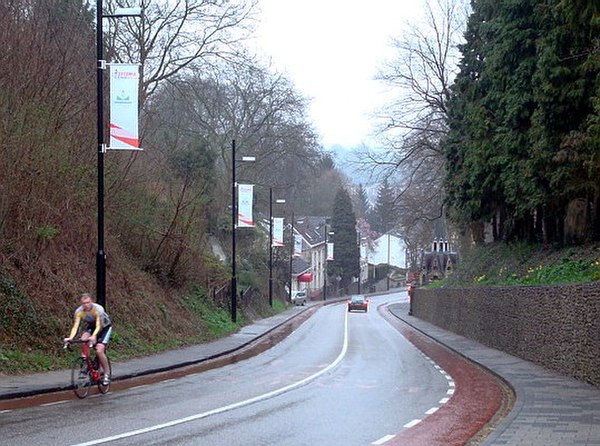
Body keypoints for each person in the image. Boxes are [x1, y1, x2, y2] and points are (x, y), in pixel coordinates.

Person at [64, 293, 113, 385]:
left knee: (99, 350)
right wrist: (70, 337)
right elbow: (75, 326)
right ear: (81, 304)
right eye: (84, 303)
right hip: (92, 326)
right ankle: (87, 363)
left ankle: (107, 373)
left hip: (104, 327)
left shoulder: (98, 309)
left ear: (92, 302)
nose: (86, 305)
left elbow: (99, 325)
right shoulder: (79, 311)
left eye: (88, 302)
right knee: (83, 338)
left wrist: (94, 336)